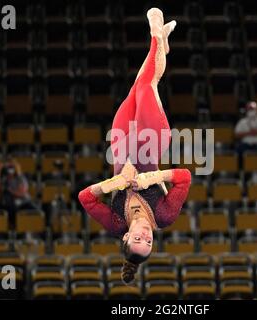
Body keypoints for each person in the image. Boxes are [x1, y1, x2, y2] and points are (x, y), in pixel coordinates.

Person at [78, 8, 191, 285]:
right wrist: (152, 177)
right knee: (145, 87)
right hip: (152, 142)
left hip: (121, 143)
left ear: (126, 238)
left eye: (138, 240)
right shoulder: (164, 217)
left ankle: (161, 44)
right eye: (149, 243)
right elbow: (184, 178)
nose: (145, 236)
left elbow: (85, 198)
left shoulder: (116, 223)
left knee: (140, 85)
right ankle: (155, 35)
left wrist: (117, 182)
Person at [0, 158, 37, 225]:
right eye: (8, 167)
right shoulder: (3, 179)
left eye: (12, 167)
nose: (10, 170)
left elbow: (22, 192)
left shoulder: (20, 177)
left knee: (36, 212)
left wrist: (18, 173)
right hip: (10, 206)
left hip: (24, 203)